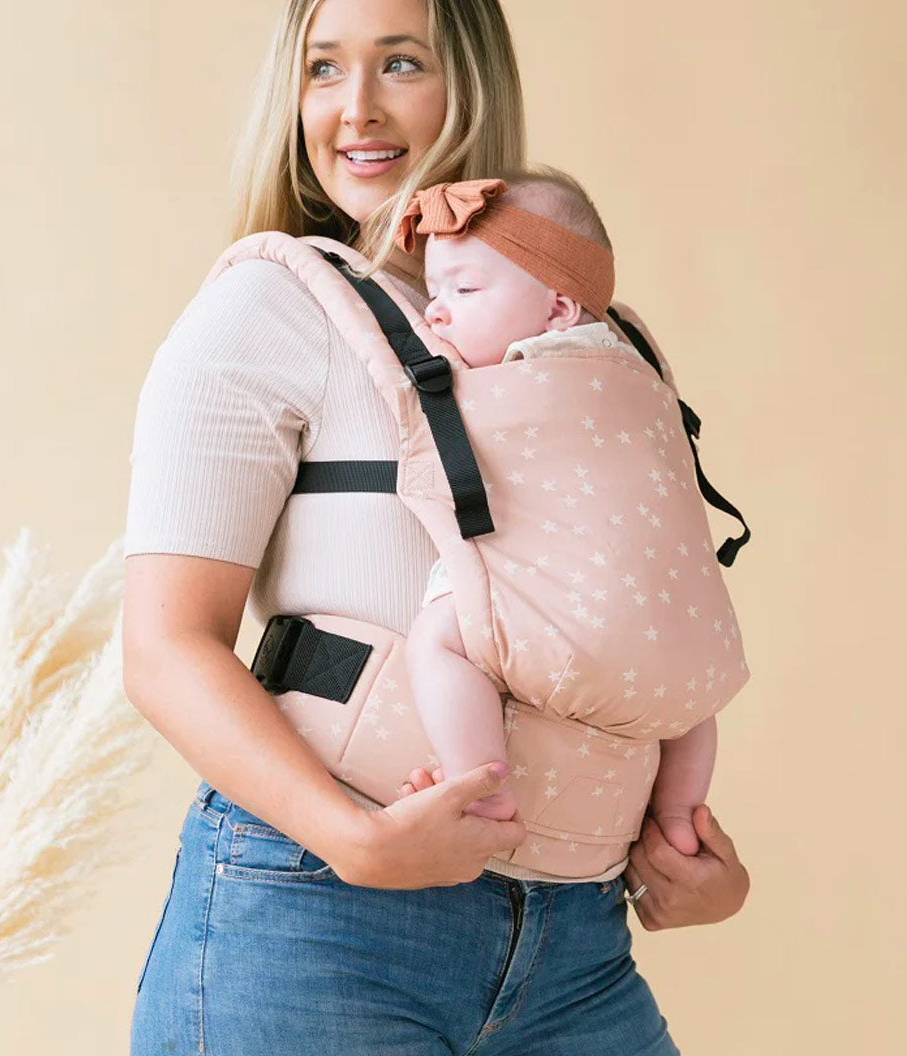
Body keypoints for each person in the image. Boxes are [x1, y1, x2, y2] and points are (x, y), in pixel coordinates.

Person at [122, 1, 751, 1052]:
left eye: (400, 63)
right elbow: (163, 646)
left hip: (578, 942)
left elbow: (621, 626)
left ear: (472, 81)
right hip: (316, 918)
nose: (355, 109)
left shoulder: (584, 340)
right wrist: (355, 841)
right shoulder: (264, 309)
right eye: (323, 70)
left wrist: (680, 846)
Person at [399, 172, 728, 859]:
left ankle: (481, 784)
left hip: (564, 615)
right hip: (673, 631)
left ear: (556, 310)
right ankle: (677, 815)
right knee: (693, 706)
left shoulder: (519, 369)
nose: (436, 314)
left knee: (438, 638)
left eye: (464, 290)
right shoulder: (638, 366)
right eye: (433, 295)